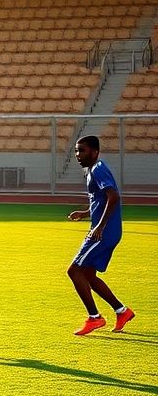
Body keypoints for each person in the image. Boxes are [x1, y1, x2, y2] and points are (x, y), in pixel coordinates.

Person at [66, 134, 134, 336]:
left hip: (104, 232)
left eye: (82, 150)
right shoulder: (91, 170)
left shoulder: (98, 168)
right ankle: (122, 311)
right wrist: (85, 213)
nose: (78, 154)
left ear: (95, 152)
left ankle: (95, 318)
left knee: (74, 271)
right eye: (76, 150)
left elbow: (114, 197)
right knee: (87, 274)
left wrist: (100, 227)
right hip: (104, 231)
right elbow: (101, 200)